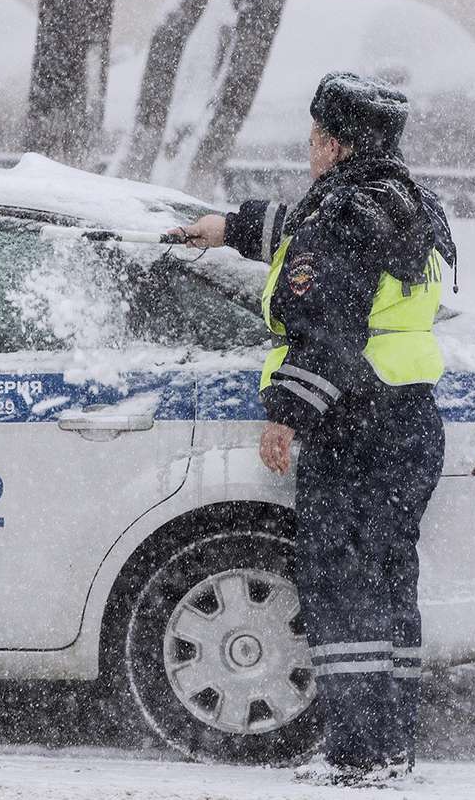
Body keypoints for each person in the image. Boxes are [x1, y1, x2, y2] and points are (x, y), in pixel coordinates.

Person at [174, 71, 454, 786]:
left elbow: (326, 316)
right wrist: (232, 228)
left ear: (336, 144)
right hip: (408, 418)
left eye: (313, 142)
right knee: (389, 585)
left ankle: (357, 757)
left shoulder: (343, 216)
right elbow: (318, 246)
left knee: (343, 586)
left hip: (355, 424)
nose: (309, 154)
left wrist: (287, 412)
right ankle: (389, 748)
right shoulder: (408, 201)